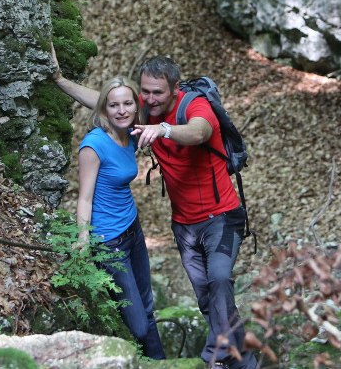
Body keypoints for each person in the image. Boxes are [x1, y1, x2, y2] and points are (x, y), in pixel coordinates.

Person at [50, 45, 255, 369]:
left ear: (175, 88)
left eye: (156, 93)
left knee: (218, 279)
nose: (150, 99)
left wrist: (165, 129)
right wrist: (60, 80)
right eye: (144, 92)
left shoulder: (194, 106)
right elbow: (108, 105)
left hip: (222, 218)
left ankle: (236, 360)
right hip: (185, 225)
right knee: (205, 297)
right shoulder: (147, 111)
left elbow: (200, 131)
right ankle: (230, 355)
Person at [72, 75, 166, 360]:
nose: (122, 110)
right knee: (138, 326)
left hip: (133, 230)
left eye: (127, 104)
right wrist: (83, 238)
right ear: (104, 110)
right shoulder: (94, 145)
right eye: (114, 105)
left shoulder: (130, 135)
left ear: (135, 108)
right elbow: (84, 198)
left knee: (148, 309)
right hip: (109, 242)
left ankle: (160, 364)